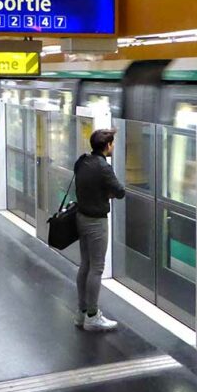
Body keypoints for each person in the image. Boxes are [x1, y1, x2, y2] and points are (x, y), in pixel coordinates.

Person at [72, 129, 125, 331]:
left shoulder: (82, 160)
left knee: (84, 265)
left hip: (81, 217)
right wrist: (107, 194)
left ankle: (81, 312)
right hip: (96, 222)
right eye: (113, 143)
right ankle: (93, 316)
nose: (113, 147)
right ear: (108, 146)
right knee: (97, 268)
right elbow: (120, 191)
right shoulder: (103, 167)